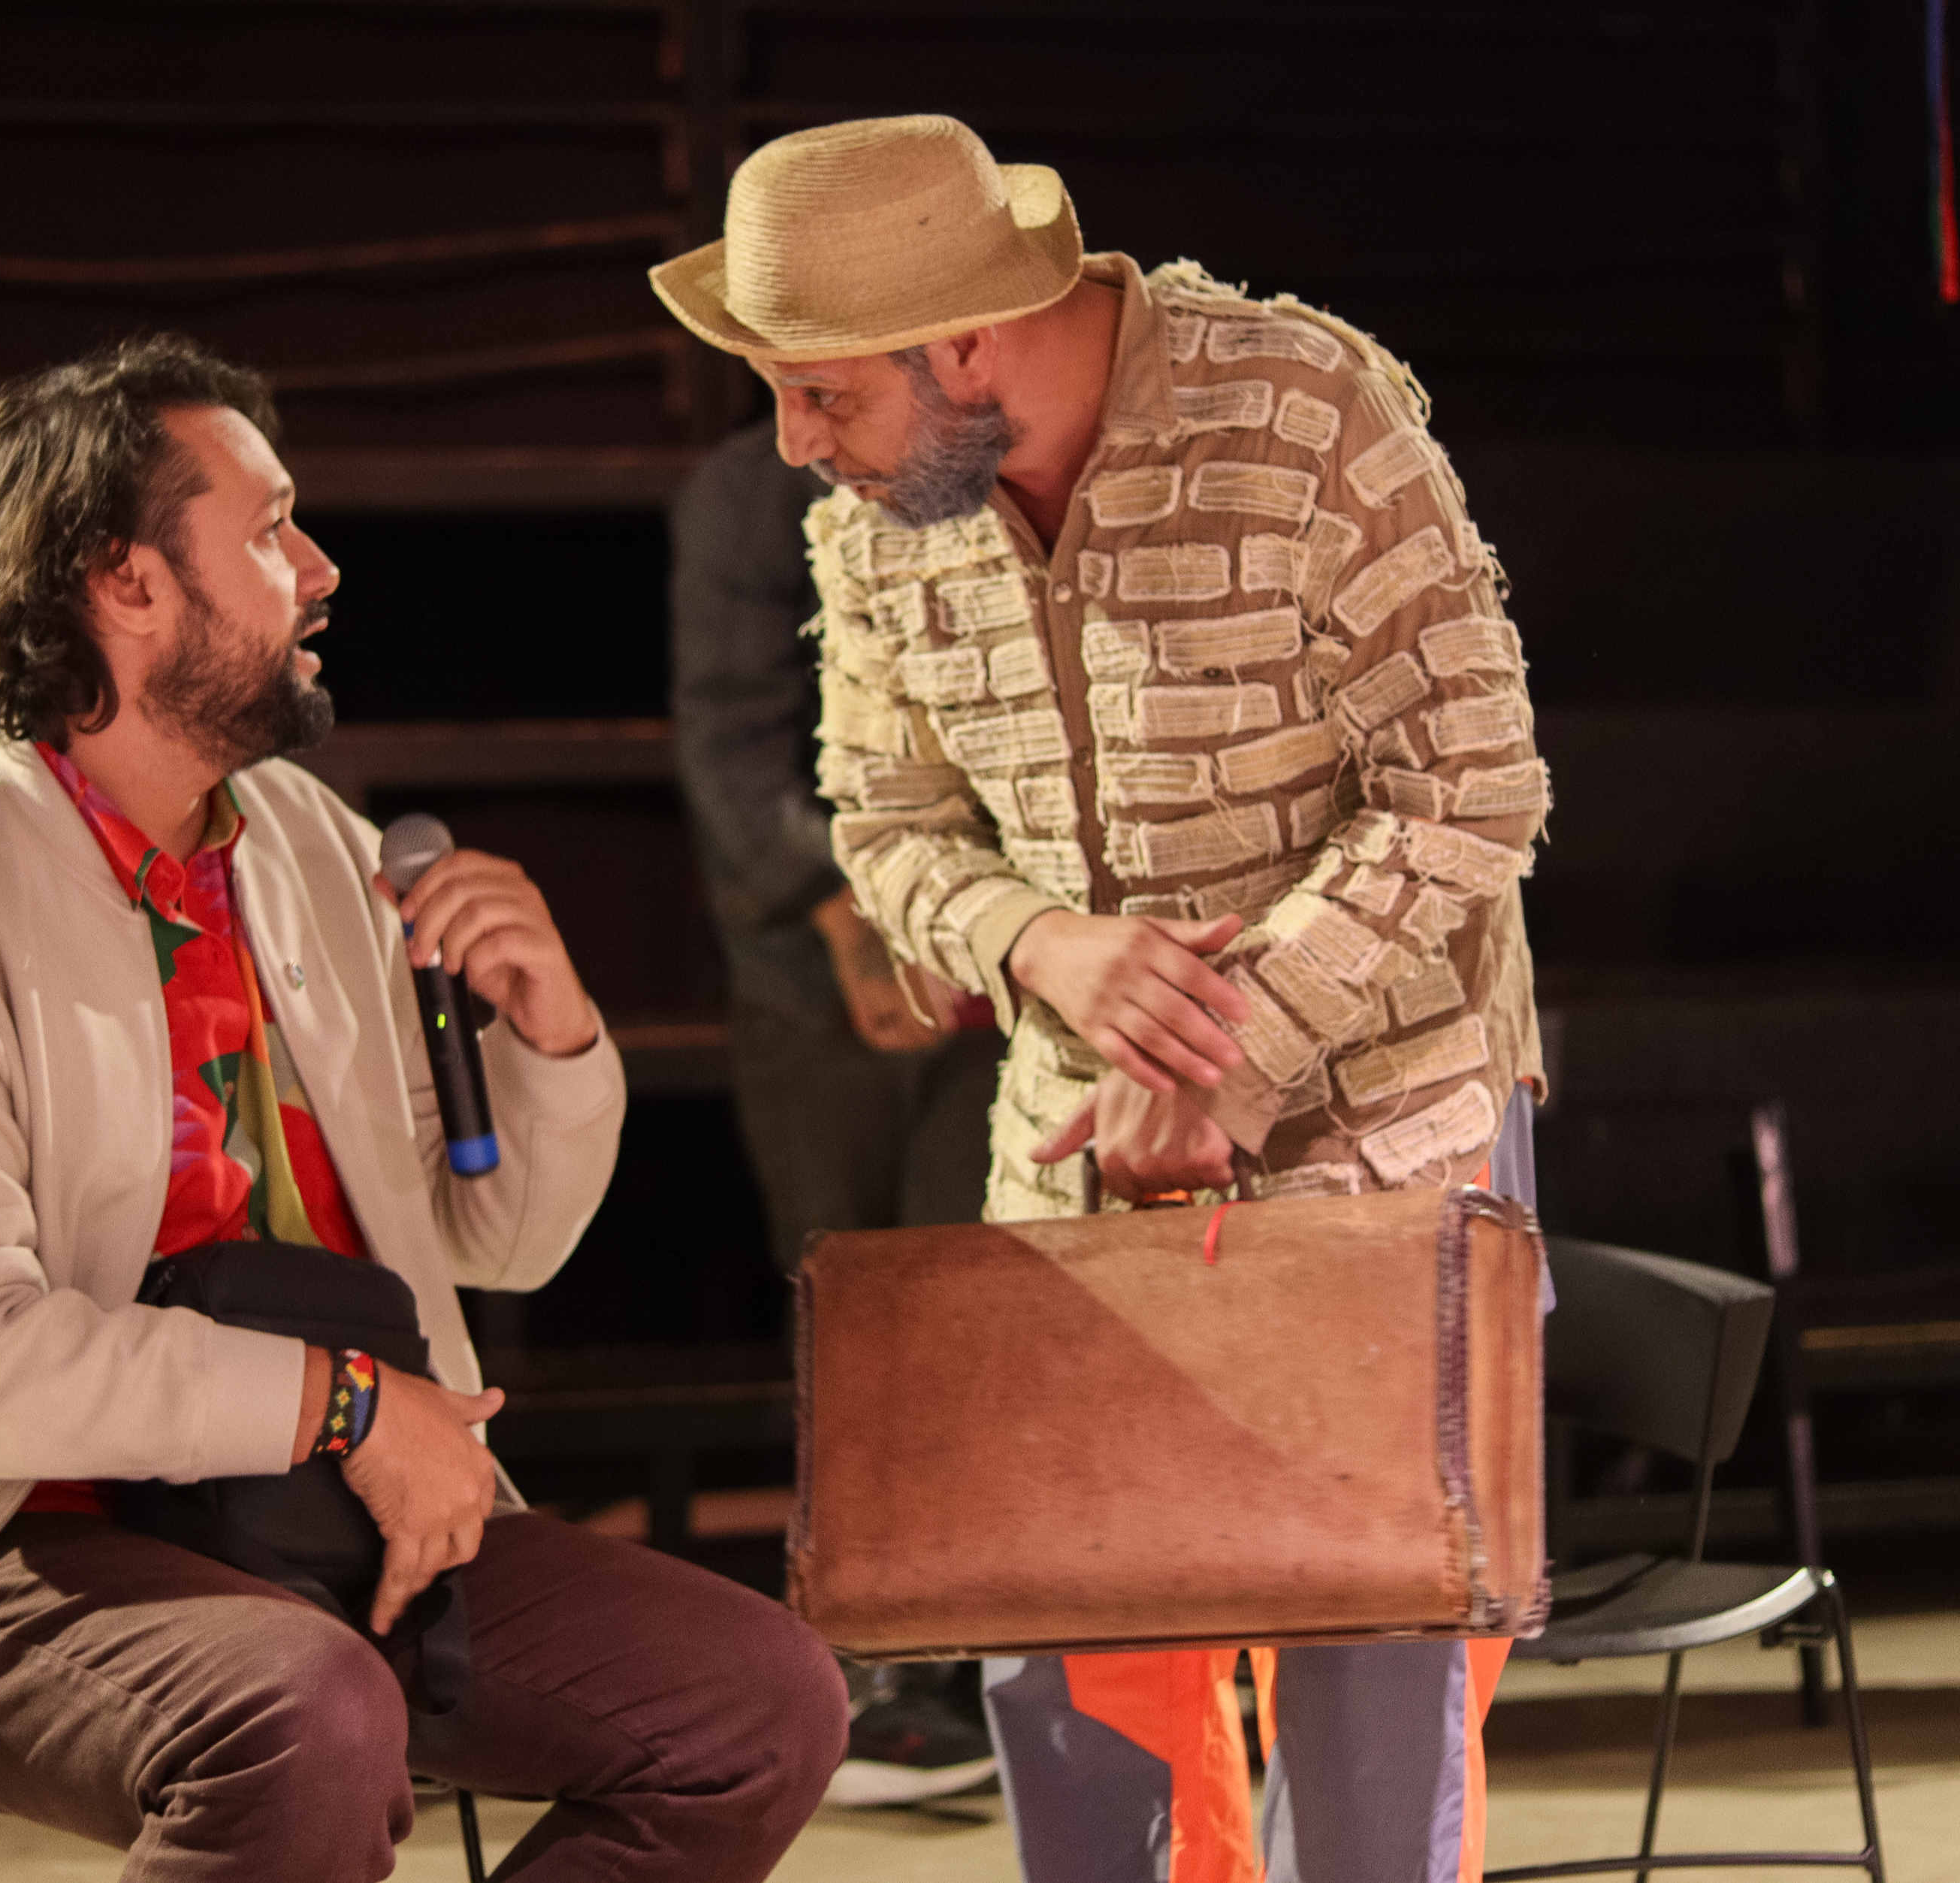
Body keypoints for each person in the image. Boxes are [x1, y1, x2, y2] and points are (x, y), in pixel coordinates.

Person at [0, 334, 847, 1882]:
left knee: (755, 1700)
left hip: (317, 1506)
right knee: (304, 1714)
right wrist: (348, 1403)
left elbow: (500, 1242)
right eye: (267, 529)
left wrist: (552, 1039)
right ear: (125, 583)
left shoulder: (313, 842)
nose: (318, 568)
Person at [649, 116, 1548, 1883]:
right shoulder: (878, 515)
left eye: (820, 394)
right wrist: (1039, 944)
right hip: (1069, 1162)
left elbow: (1469, 785)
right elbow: (884, 824)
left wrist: (1237, 1046)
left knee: (1369, 1718)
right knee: (1066, 1688)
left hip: (1378, 1145)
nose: (794, 443)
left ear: (965, 341)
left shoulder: (1299, 409)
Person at [669, 419, 1005, 1806]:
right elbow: (733, 737)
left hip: (1003, 940)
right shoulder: (750, 493)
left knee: (978, 1302)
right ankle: (878, 1660)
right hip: (819, 966)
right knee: (856, 1308)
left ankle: (978, 1656)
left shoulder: (992, 454)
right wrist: (854, 922)